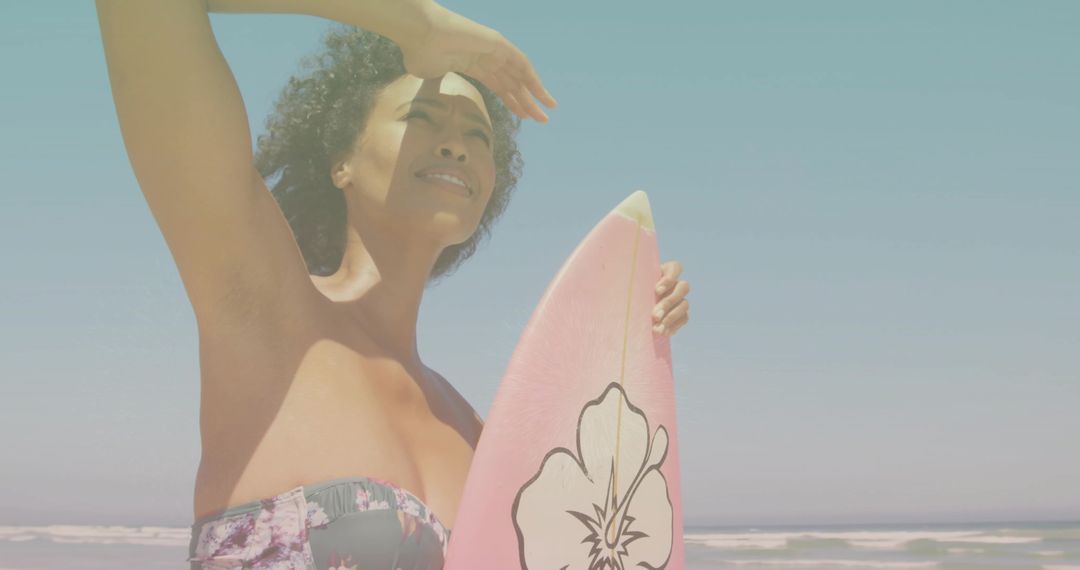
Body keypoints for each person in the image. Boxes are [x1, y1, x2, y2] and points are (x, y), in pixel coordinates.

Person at [95, 0, 691, 567]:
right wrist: (416, 23)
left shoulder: (477, 430)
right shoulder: (263, 307)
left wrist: (634, 342)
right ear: (341, 162)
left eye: (479, 137)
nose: (457, 145)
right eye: (421, 118)